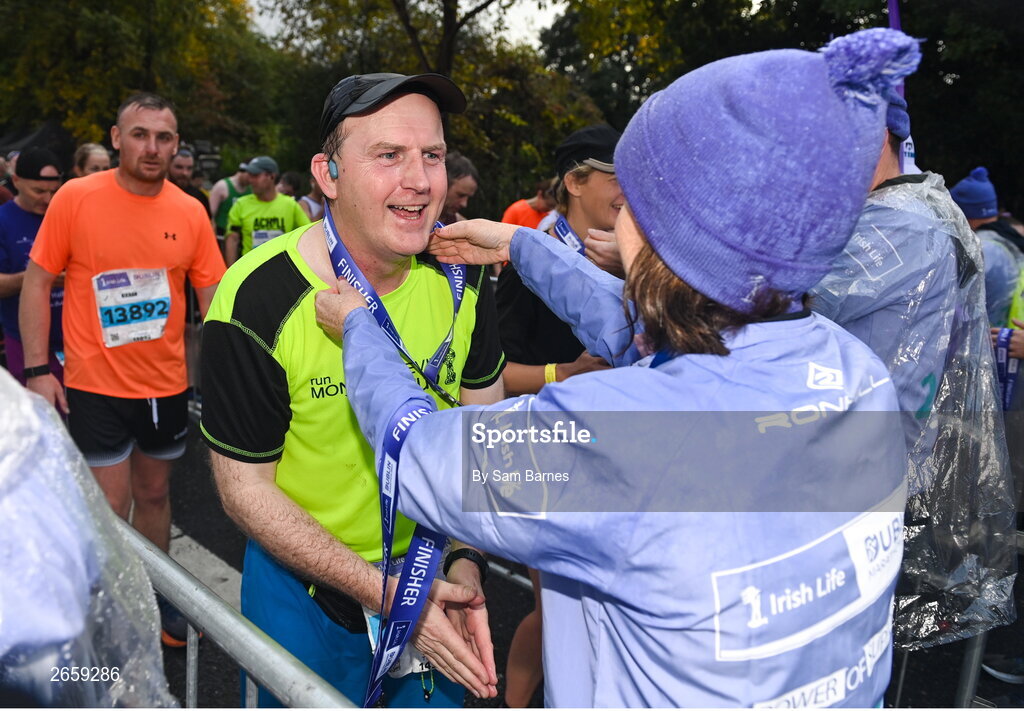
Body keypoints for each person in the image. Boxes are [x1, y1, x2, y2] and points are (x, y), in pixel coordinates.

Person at [316, 29, 919, 707]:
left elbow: (418, 449)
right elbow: (659, 332)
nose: (621, 211)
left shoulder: (629, 438)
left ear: (670, 231)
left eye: (634, 198)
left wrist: (361, 327)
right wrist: (522, 246)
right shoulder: (858, 371)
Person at [200, 72, 506, 706]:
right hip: (304, 595)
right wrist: (381, 593)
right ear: (328, 174)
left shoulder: (465, 280)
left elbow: (486, 444)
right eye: (388, 156)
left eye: (432, 155)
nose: (419, 181)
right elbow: (243, 489)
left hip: (434, 578)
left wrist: (466, 563)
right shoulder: (254, 297)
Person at [809, 93, 1017, 651]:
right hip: (894, 463)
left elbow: (789, 300)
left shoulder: (900, 225)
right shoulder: (921, 211)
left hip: (866, 474)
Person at [19, 92, 226, 648]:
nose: (151, 148)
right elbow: (38, 282)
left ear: (177, 145)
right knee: (110, 502)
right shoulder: (76, 198)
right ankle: (110, 602)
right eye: (140, 134)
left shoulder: (189, 210)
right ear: (116, 138)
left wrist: (233, 378)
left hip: (163, 385)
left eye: (164, 137)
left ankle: (156, 599)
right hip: (94, 382)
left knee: (154, 495)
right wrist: (39, 368)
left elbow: (215, 296)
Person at [0, 147, 64, 385]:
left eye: (53, 191)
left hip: (72, 342)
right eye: (38, 191)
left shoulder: (62, 215)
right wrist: (37, 278)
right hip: (24, 343)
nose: (47, 199)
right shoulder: (3, 221)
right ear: (16, 181)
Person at [950, 167, 1024, 326]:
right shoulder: (1012, 239)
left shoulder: (979, 249)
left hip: (987, 344)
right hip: (1009, 338)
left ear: (962, 213)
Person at [223, 156, 309, 266]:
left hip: (283, 269)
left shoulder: (290, 205)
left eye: (255, 175)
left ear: (272, 176)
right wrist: (232, 272)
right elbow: (232, 239)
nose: (250, 180)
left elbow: (307, 234)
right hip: (250, 269)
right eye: (249, 176)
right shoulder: (240, 205)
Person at [208, 162, 252, 243]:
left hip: (243, 237)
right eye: (250, 176)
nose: (251, 180)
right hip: (221, 236)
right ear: (243, 171)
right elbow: (210, 216)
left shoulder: (252, 188)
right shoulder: (222, 186)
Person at [168, 148, 211, 215]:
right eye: (179, 167)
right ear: (168, 165)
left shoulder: (199, 197)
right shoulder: (154, 192)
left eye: (189, 168)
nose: (185, 173)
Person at [440, 151, 478, 224]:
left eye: (468, 197)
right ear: (444, 184)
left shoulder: (462, 226)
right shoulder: (414, 218)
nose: (464, 204)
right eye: (460, 195)